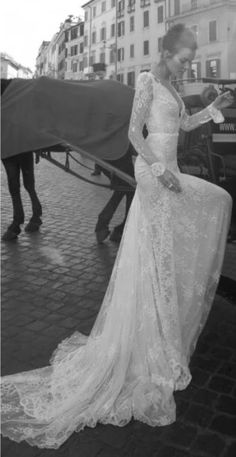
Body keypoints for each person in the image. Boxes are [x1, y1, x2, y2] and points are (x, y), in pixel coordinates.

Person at [0, 24, 233, 450]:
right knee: (162, 249)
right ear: (166, 51)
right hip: (153, 175)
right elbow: (132, 134)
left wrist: (212, 107)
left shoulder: (173, 88)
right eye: (184, 57)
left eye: (192, 58)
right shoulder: (146, 80)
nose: (189, 63)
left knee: (199, 219)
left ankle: (162, 334)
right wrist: (159, 170)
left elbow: (182, 125)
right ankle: (149, 343)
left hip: (171, 175)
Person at [95, 143, 136, 243]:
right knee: (129, 189)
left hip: (111, 154)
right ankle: (119, 229)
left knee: (126, 189)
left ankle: (106, 226)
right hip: (117, 154)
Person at [1, 151, 42, 241]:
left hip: (12, 149)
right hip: (21, 148)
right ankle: (36, 214)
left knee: (16, 186)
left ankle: (18, 221)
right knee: (27, 184)